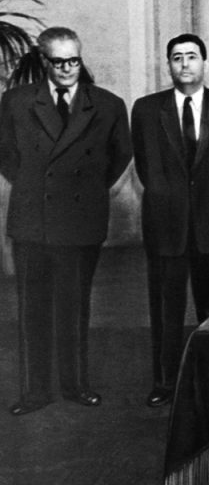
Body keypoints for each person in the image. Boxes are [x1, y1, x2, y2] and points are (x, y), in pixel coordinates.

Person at [0, 27, 132, 415]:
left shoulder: (107, 104)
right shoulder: (16, 101)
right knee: (32, 308)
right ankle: (34, 392)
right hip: (32, 220)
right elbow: (4, 153)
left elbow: (120, 155)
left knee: (74, 307)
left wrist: (87, 190)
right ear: (43, 61)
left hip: (80, 219)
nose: (67, 68)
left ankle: (76, 386)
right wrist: (33, 184)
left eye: (74, 60)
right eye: (58, 62)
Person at [131, 34, 209, 407]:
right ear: (168, 64)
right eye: (177, 57)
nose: (185, 64)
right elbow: (146, 167)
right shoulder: (146, 109)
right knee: (165, 310)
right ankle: (165, 382)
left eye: (192, 56)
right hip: (166, 225)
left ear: (205, 63)